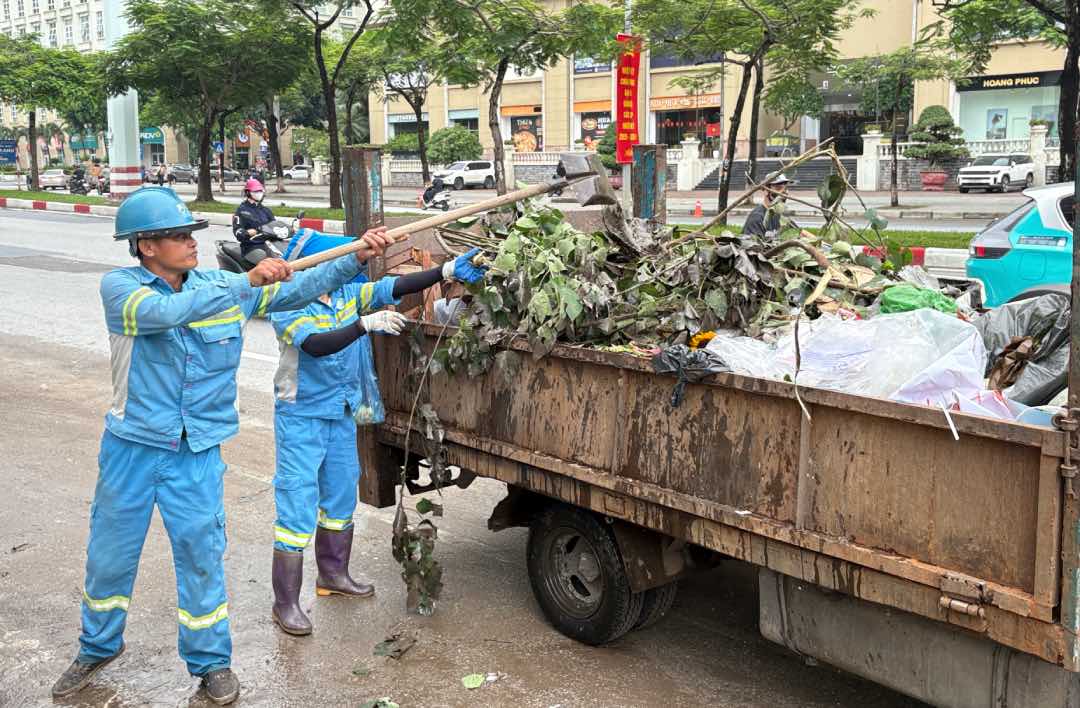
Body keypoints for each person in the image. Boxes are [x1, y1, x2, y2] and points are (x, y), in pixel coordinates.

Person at [49, 187, 392, 705]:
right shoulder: (122, 289)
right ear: (146, 245)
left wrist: (354, 261)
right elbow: (169, 314)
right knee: (110, 558)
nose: (191, 242)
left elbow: (297, 290)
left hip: (196, 453)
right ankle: (96, 647)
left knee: (201, 557)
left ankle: (211, 664)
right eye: (179, 235)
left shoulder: (218, 283)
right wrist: (246, 282)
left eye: (191, 234)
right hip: (133, 449)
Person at [266, 234, 486, 636]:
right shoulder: (288, 301)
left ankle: (333, 575)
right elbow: (315, 345)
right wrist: (363, 325)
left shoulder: (347, 292)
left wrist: (447, 270)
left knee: (340, 495)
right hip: (301, 417)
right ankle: (286, 603)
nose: (349, 268)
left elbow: (393, 287)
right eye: (341, 262)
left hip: (340, 411)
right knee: (296, 507)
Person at [742, 174, 815, 242]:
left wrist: (819, 243)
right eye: (778, 188)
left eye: (785, 188)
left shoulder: (780, 215)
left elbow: (801, 233)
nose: (784, 192)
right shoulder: (757, 217)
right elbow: (753, 249)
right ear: (766, 190)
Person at [232, 178, 278, 267]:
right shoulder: (242, 211)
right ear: (248, 193)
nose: (259, 193)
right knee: (267, 263)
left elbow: (274, 225)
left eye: (260, 191)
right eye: (256, 191)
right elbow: (237, 232)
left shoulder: (266, 210)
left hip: (269, 245)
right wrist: (246, 233)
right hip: (252, 247)